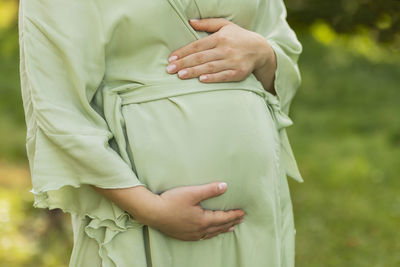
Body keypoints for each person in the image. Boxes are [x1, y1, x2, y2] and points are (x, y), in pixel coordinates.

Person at [18, 0, 304, 266]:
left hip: (257, 213)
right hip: (142, 219)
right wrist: (149, 209)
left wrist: (263, 54)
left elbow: (280, 44)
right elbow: (56, 108)